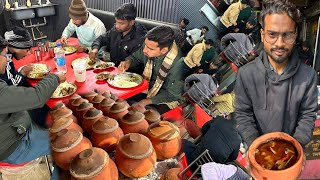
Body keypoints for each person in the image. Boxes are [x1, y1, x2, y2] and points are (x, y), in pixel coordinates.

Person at [234, 0, 317, 148]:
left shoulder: (308, 76)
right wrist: (257, 147)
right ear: (262, 34)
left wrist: (293, 148)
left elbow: (307, 115)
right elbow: (243, 114)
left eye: (287, 35)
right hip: (257, 153)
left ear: (295, 35)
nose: (279, 43)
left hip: (291, 157)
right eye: (272, 34)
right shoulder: (246, 74)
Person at [0, 35, 66, 166]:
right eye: (4, 55)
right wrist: (55, 78)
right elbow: (37, 97)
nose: (6, 60)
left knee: (40, 111)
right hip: (12, 145)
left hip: (13, 124)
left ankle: (42, 131)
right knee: (66, 145)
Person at [118, 26, 185, 114]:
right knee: (119, 99)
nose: (145, 50)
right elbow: (136, 57)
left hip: (164, 97)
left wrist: (145, 102)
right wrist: (128, 62)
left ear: (164, 50)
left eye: (150, 49)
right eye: (145, 45)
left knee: (144, 114)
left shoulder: (178, 64)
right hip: (147, 86)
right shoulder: (150, 44)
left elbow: (172, 95)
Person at [90, 3, 147, 71]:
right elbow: (102, 38)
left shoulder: (141, 37)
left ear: (131, 22)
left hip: (130, 74)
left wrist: (128, 62)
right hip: (113, 68)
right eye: (116, 22)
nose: (117, 26)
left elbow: (138, 60)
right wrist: (95, 49)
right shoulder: (116, 29)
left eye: (121, 23)